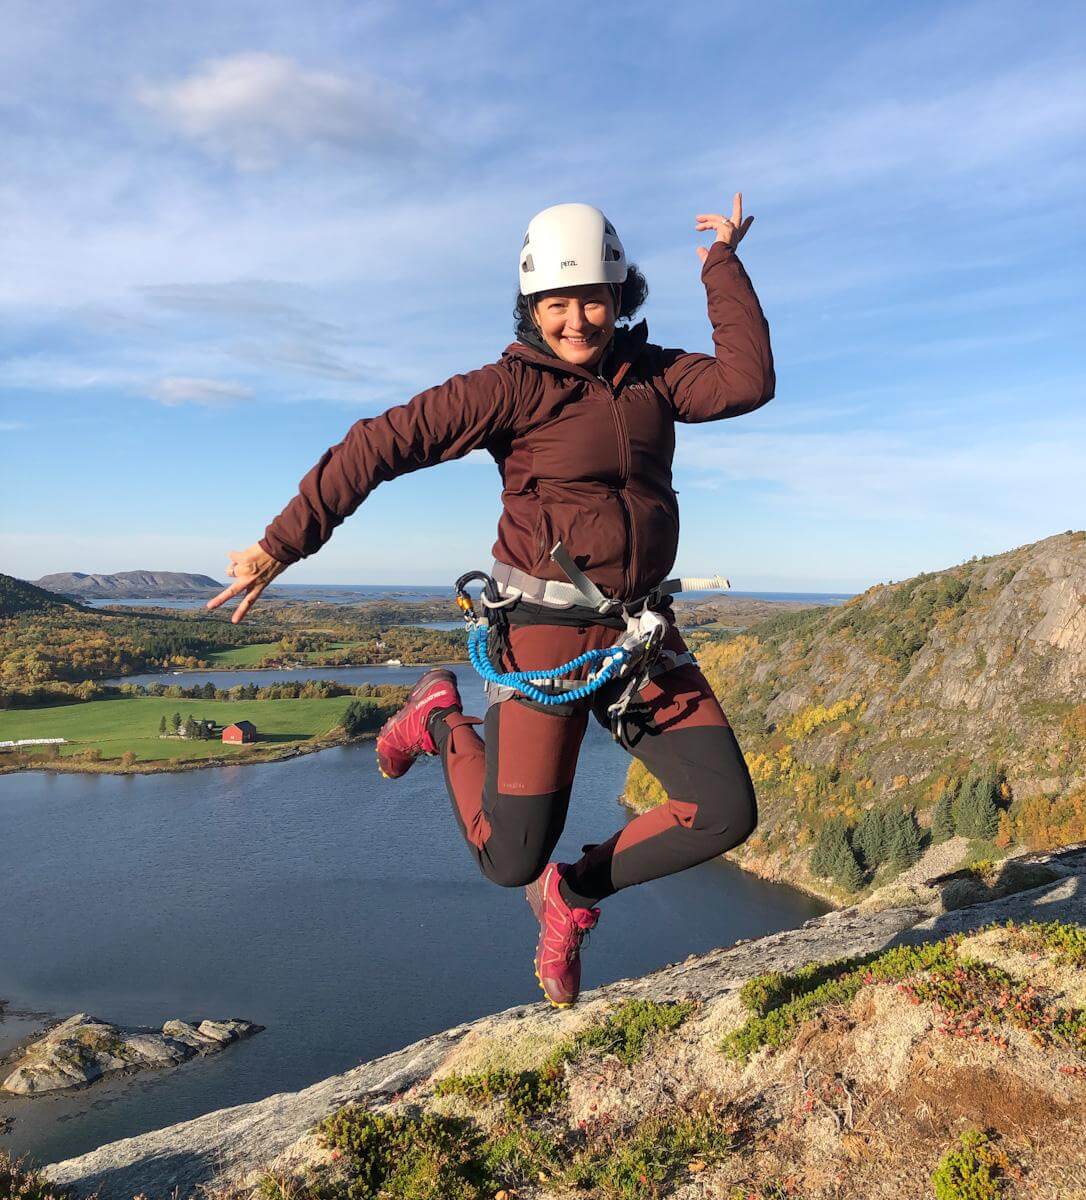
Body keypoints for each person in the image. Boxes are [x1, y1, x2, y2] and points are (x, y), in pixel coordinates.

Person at [208, 194, 775, 1008]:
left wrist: (721, 262)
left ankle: (573, 895)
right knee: (509, 859)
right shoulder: (509, 390)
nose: (576, 319)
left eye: (591, 298)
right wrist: (283, 542)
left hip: (637, 633)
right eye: (556, 303)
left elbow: (748, 380)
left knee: (722, 810)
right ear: (531, 308)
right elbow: (380, 443)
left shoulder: (655, 377)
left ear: (621, 297)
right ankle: (440, 715)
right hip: (544, 629)